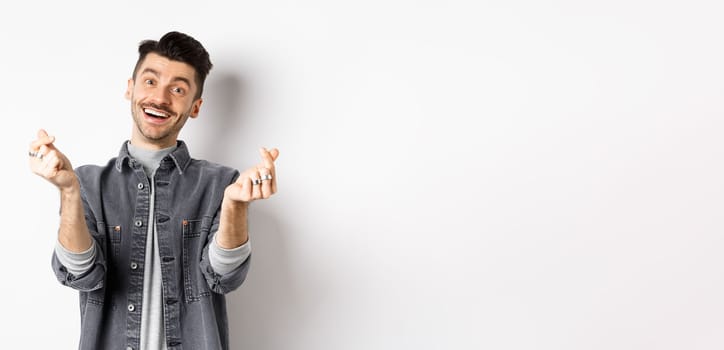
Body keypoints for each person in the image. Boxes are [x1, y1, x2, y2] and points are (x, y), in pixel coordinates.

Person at [28, 31, 279, 350]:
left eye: (177, 89)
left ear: (195, 106)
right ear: (130, 88)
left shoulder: (222, 183)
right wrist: (69, 192)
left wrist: (234, 205)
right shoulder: (88, 183)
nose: (160, 98)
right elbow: (81, 275)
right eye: (150, 81)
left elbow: (223, 277)